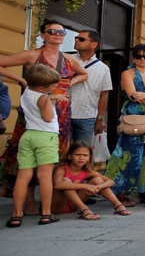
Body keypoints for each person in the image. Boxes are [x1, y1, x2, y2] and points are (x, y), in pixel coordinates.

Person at [0, 20, 88, 210]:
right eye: (52, 31)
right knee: (27, 159)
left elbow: (83, 74)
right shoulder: (33, 55)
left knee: (56, 157)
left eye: (61, 31)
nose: (57, 34)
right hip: (34, 113)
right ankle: (30, 202)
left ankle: (50, 203)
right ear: (43, 35)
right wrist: (22, 80)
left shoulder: (68, 59)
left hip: (61, 114)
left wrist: (68, 84)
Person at [106, 44, 145, 206]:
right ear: (133, 58)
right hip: (133, 118)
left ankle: (140, 190)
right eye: (139, 56)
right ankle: (121, 191)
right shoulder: (127, 73)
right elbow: (133, 96)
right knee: (129, 154)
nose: (142, 59)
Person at [5, 65, 62, 227]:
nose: (55, 87)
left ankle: (16, 214)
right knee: (45, 176)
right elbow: (47, 118)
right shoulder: (44, 97)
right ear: (42, 87)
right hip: (45, 136)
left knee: (23, 176)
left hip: (28, 135)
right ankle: (46, 213)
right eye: (53, 86)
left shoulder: (26, 92)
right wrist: (49, 102)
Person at [52, 141, 131, 219]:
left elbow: (111, 181)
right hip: (58, 206)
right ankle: (84, 209)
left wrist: (98, 187)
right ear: (70, 156)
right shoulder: (62, 169)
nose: (81, 158)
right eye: (77, 155)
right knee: (66, 181)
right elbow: (57, 184)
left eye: (85, 155)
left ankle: (118, 205)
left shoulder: (87, 172)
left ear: (89, 157)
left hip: (74, 205)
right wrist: (85, 186)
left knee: (97, 180)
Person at [69, 30, 113, 150]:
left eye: (81, 39)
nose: (77, 40)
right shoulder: (67, 60)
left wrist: (100, 119)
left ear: (94, 44)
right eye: (76, 38)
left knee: (81, 155)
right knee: (61, 153)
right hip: (63, 113)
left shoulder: (103, 69)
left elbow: (104, 96)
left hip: (87, 117)